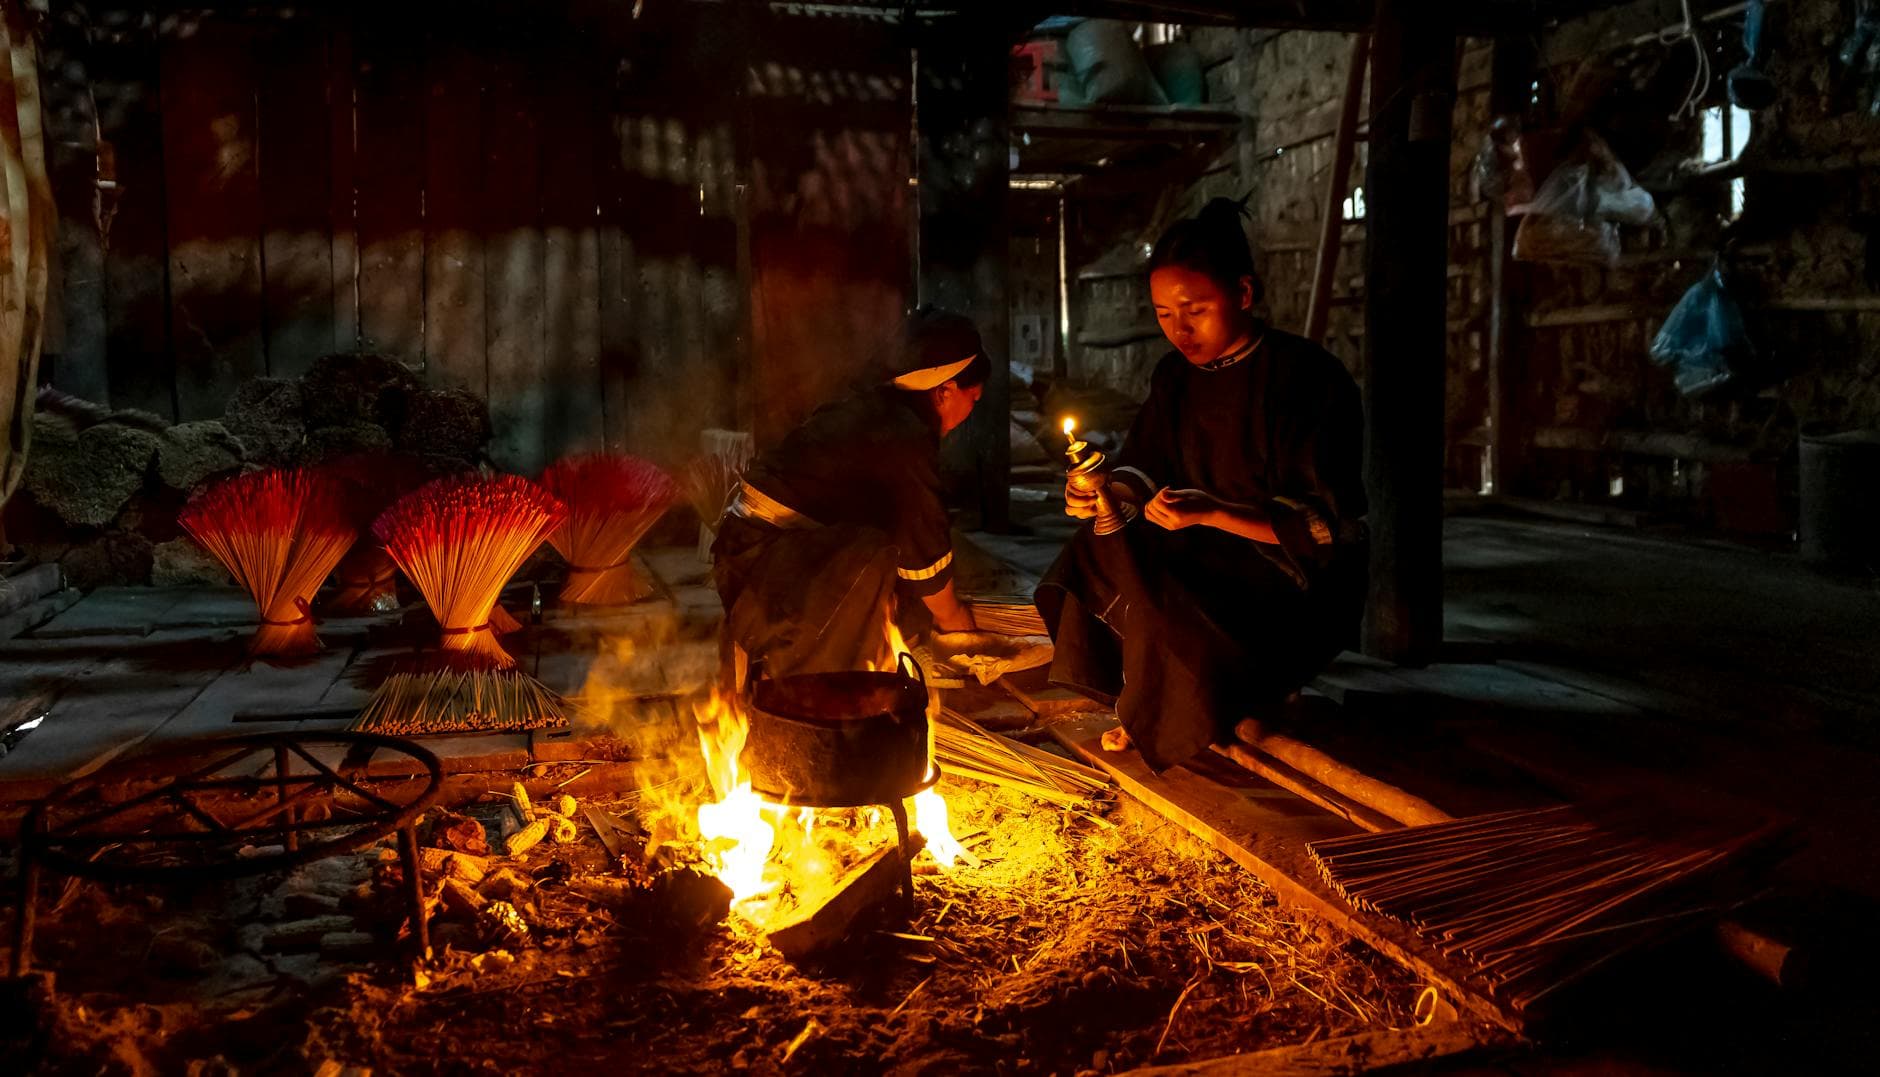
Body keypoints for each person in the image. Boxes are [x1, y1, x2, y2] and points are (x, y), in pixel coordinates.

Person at [1034, 198, 1368, 771]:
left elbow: (1326, 523)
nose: (1179, 329)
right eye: (1164, 314)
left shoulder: (1305, 378)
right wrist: (1103, 490)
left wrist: (1214, 512)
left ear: (1243, 294)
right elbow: (1145, 464)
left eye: (1195, 310)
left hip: (1287, 573)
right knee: (1094, 549)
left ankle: (1181, 708)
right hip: (1201, 544)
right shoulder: (1175, 377)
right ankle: (1146, 702)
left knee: (1173, 603)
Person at [712, 306, 986, 689]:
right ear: (945, 390)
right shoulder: (903, 435)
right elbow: (924, 546)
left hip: (753, 558)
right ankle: (815, 691)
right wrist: (958, 626)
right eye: (973, 399)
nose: (971, 413)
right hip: (766, 568)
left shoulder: (877, 411)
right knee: (875, 554)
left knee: (899, 563)